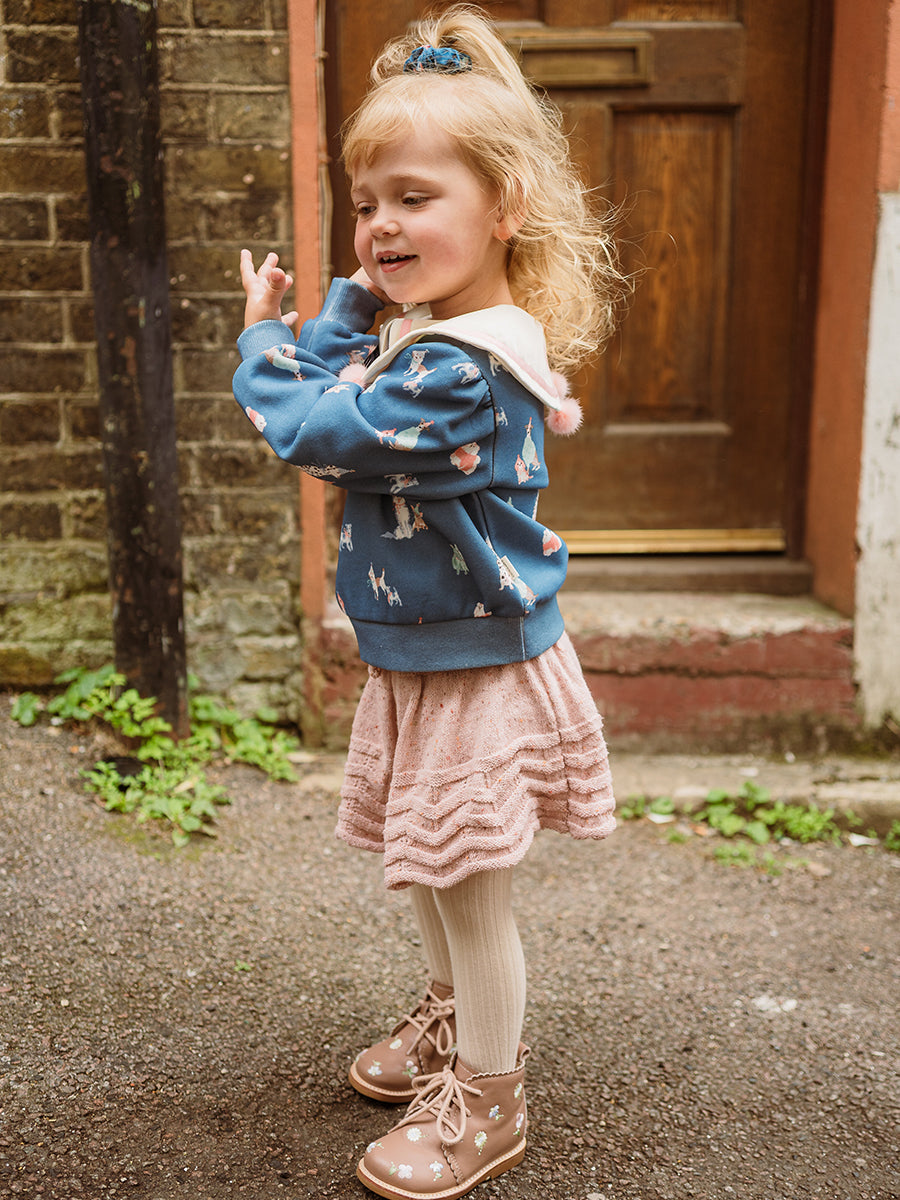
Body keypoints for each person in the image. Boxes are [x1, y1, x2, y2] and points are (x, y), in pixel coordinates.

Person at [233, 6, 627, 1197]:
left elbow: (313, 427)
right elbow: (340, 399)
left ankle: (490, 1104)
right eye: (368, 203)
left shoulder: (459, 365)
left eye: (415, 196)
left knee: (469, 888)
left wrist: (269, 339)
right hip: (427, 650)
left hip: (475, 666)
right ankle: (454, 1019)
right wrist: (350, 313)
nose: (383, 226)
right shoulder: (430, 336)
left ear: (505, 206)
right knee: (429, 861)